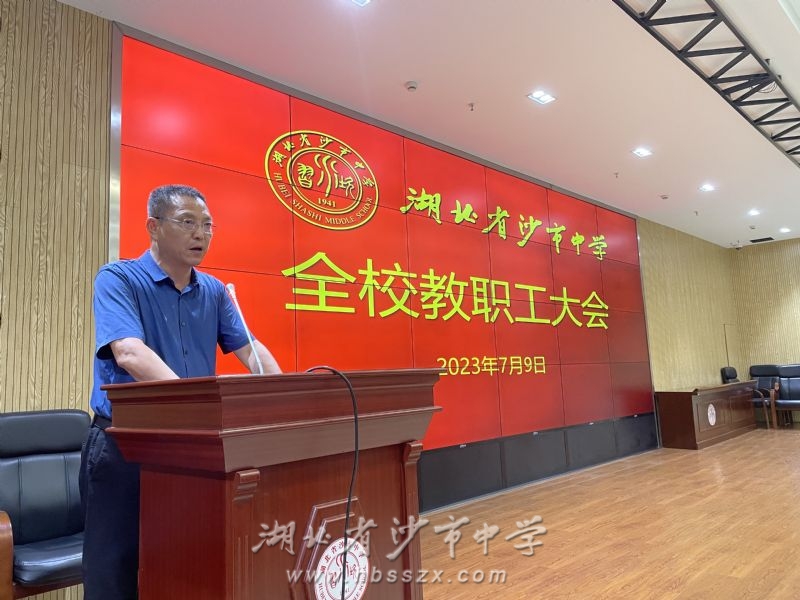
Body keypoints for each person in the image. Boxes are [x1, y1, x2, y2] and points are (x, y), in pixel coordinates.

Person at [79, 184, 281, 600]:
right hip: (126, 445)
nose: (200, 234)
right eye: (188, 222)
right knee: (115, 567)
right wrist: (196, 407)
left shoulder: (214, 291)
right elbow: (129, 352)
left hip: (190, 449)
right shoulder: (118, 278)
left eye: (207, 225)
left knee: (182, 562)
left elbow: (250, 349)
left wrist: (282, 392)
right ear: (153, 226)